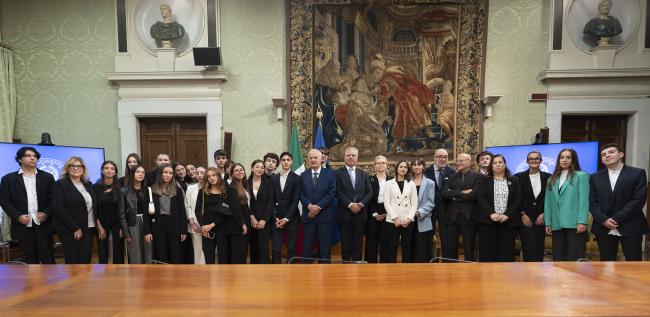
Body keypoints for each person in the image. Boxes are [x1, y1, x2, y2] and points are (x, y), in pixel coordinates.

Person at [590, 143, 648, 261]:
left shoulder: (637, 173)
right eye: (603, 154)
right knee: (606, 264)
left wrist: (617, 218)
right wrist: (604, 220)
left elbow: (638, 200)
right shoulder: (595, 177)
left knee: (634, 263)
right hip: (603, 227)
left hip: (630, 225)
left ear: (621, 154)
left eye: (611, 152)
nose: (607, 156)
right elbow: (592, 202)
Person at [0, 146, 55, 264]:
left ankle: (51, 282)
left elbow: (54, 200)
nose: (32, 158)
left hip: (43, 223)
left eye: (35, 156)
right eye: (28, 156)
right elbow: (5, 201)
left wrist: (46, 213)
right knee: (29, 259)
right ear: (20, 159)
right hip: (22, 224)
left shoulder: (47, 177)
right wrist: (18, 216)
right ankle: (34, 283)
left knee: (48, 258)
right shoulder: (8, 179)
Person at [544, 148, 590, 261]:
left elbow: (584, 200)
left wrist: (582, 221)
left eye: (568, 157)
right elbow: (548, 202)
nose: (564, 160)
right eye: (562, 157)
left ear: (573, 160)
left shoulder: (581, 176)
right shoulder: (552, 179)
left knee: (574, 259)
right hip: (556, 223)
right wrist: (548, 222)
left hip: (575, 224)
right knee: (558, 259)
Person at [195, 167, 247, 264]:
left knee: (223, 257)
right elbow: (197, 210)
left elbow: (227, 211)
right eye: (209, 176)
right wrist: (203, 227)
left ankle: (224, 278)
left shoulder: (226, 192)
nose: (211, 178)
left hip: (222, 227)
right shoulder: (202, 191)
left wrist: (212, 225)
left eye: (213, 175)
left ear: (219, 176)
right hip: (206, 228)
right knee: (208, 256)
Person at [51, 157, 98, 264]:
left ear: (83, 169)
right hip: (70, 229)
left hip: (88, 227)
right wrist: (75, 228)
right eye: (72, 166)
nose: (75, 168)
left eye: (78, 166)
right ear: (67, 168)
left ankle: (84, 281)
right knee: (73, 260)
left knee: (86, 258)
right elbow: (59, 208)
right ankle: (73, 281)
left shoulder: (88, 184)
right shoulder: (60, 184)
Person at [476, 154, 521, 262]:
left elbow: (518, 200)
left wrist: (507, 215)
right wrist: (491, 213)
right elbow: (481, 199)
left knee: (506, 253)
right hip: (488, 222)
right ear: (491, 166)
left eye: (500, 162)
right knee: (487, 253)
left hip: (507, 222)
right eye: (495, 163)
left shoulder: (514, 180)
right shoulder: (484, 180)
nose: (497, 165)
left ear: (505, 164)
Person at [440, 153, 484, 262]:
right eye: (457, 160)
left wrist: (454, 196)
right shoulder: (452, 177)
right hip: (453, 217)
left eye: (461, 161)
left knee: (470, 246)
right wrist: (462, 192)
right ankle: (451, 271)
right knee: (451, 247)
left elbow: (475, 195)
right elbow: (445, 193)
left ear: (469, 162)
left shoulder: (479, 176)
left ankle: (471, 270)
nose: (458, 163)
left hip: (469, 216)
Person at [143, 164, 187, 264]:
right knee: (161, 255)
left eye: (170, 173)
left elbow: (182, 212)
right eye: (165, 172)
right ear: (160, 174)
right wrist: (147, 231)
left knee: (175, 255)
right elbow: (146, 214)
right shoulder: (151, 191)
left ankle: (175, 278)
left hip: (174, 226)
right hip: (157, 225)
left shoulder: (178, 191)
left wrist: (184, 230)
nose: (168, 175)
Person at [335, 147, 373, 262]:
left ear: (357, 157)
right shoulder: (337, 173)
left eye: (353, 155)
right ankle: (346, 265)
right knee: (345, 243)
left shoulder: (364, 174)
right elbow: (337, 191)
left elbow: (370, 192)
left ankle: (357, 265)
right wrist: (350, 204)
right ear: (344, 157)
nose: (350, 157)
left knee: (358, 242)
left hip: (360, 214)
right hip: (344, 213)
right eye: (348, 155)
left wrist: (360, 204)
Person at [300, 149, 337, 262]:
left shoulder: (330, 173)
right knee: (306, 247)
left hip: (325, 217)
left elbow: (331, 193)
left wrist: (318, 207)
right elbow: (300, 194)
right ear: (308, 160)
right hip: (308, 216)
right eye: (311, 158)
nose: (313, 159)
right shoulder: (303, 175)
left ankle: (325, 273)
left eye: (316, 157)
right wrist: (310, 206)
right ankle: (305, 272)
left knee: (324, 248)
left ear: (322, 159)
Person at [514, 150, 550, 262]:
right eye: (531, 159)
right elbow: (515, 197)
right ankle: (528, 276)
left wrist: (545, 213)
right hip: (525, 219)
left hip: (541, 218)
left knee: (539, 249)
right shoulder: (518, 177)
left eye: (536, 158)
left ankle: (538, 276)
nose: (534, 161)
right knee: (528, 248)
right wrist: (522, 213)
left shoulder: (549, 177)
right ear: (527, 161)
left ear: (541, 161)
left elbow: (551, 199)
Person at [383, 159, 418, 263]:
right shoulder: (389, 183)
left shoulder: (411, 184)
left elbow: (414, 203)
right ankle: (391, 270)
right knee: (392, 246)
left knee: (407, 246)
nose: (403, 169)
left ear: (408, 170)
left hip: (407, 220)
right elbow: (386, 202)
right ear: (396, 168)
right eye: (401, 167)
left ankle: (406, 270)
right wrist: (395, 218)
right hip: (392, 220)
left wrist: (409, 218)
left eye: (405, 167)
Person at [424, 148, 455, 260]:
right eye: (439, 156)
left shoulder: (452, 172)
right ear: (434, 157)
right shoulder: (426, 172)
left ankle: (447, 262)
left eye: (445, 157)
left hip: (447, 210)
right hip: (429, 211)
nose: (442, 159)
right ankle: (429, 261)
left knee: (446, 239)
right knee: (428, 237)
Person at [271, 152, 302, 264]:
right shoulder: (273, 178)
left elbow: (295, 200)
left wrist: (286, 218)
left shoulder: (297, 178)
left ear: (292, 161)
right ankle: (276, 272)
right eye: (283, 160)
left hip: (292, 218)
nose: (286, 162)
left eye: (288, 159)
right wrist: (275, 217)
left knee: (292, 248)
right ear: (280, 162)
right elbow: (271, 200)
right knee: (276, 248)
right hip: (277, 219)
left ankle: (291, 273)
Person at [216, 164, 249, 264]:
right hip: (237, 227)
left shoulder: (243, 185)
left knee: (242, 255)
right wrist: (242, 224)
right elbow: (235, 209)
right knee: (238, 257)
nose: (240, 172)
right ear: (232, 174)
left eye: (241, 169)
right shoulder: (232, 188)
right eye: (236, 170)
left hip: (243, 223)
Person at [94, 161, 126, 264]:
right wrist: (99, 227)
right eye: (106, 168)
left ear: (115, 172)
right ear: (102, 171)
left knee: (118, 249)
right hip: (102, 221)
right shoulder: (95, 187)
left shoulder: (120, 187)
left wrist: (122, 227)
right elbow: (94, 208)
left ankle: (118, 273)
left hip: (118, 221)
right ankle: (103, 273)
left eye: (112, 168)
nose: (109, 170)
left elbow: (124, 207)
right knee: (102, 250)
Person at [121, 165, 153, 264]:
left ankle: (148, 277)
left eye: (143, 172)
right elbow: (121, 214)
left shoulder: (148, 190)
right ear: (132, 174)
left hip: (147, 223)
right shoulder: (124, 191)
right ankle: (136, 277)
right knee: (136, 255)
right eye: (138, 172)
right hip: (132, 224)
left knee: (149, 253)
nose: (140, 174)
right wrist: (126, 233)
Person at [247, 160, 274, 264]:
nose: (260, 169)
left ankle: (266, 271)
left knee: (263, 247)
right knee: (253, 247)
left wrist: (264, 220)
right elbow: (244, 203)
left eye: (262, 167)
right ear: (252, 168)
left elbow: (270, 202)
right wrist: (252, 217)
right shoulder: (245, 182)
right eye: (257, 167)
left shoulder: (269, 182)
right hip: (251, 219)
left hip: (264, 220)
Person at [366, 155, 392, 263]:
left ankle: (385, 266)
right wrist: (375, 213)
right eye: (378, 163)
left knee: (386, 241)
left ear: (387, 165)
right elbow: (367, 197)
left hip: (388, 212)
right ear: (374, 166)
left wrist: (387, 213)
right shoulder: (369, 179)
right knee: (371, 241)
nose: (381, 165)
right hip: (372, 211)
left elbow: (395, 199)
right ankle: (370, 266)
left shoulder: (392, 180)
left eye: (383, 163)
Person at [411, 158, 436, 263]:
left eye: (419, 164)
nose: (417, 167)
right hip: (409, 219)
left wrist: (420, 212)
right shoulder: (407, 181)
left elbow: (431, 202)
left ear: (423, 167)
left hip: (423, 218)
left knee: (423, 246)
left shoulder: (430, 183)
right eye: (414, 165)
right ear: (411, 167)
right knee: (410, 245)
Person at [185, 165, 207, 264]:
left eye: (202, 173)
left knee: (208, 250)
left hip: (209, 224)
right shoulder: (191, 188)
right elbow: (187, 206)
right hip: (195, 224)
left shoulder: (212, 187)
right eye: (197, 173)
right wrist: (192, 222)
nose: (200, 175)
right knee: (197, 249)